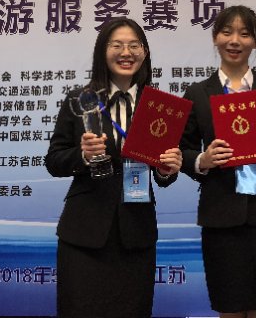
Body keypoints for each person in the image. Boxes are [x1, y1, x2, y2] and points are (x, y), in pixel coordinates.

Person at [45, 17, 183, 318]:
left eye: (134, 45)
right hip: (84, 232)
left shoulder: (158, 106)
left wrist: (166, 170)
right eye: (117, 45)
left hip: (136, 232)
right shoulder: (81, 100)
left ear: (144, 52)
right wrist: (83, 155)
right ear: (102, 51)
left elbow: (162, 174)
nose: (126, 52)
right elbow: (54, 161)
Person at [180, 5, 256, 318]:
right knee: (230, 310)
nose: (235, 40)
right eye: (227, 32)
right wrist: (203, 159)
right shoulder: (197, 93)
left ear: (255, 41)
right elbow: (182, 152)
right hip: (222, 219)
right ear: (215, 37)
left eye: (245, 34)